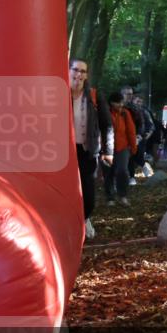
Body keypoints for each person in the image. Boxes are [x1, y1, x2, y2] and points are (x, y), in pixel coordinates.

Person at [69, 58, 113, 240]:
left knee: (88, 192)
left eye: (83, 71)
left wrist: (108, 151)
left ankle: (85, 218)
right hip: (64, 154)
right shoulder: (56, 93)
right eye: (76, 70)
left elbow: (107, 125)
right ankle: (68, 224)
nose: (79, 74)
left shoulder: (94, 96)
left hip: (87, 151)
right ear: (68, 71)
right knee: (67, 191)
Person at [104, 91, 138, 206]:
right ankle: (110, 197)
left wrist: (133, 147)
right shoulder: (105, 112)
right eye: (118, 102)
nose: (120, 105)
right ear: (111, 103)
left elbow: (131, 131)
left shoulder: (125, 113)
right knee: (108, 172)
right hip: (106, 147)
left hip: (122, 147)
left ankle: (122, 195)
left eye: (121, 102)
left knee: (122, 171)